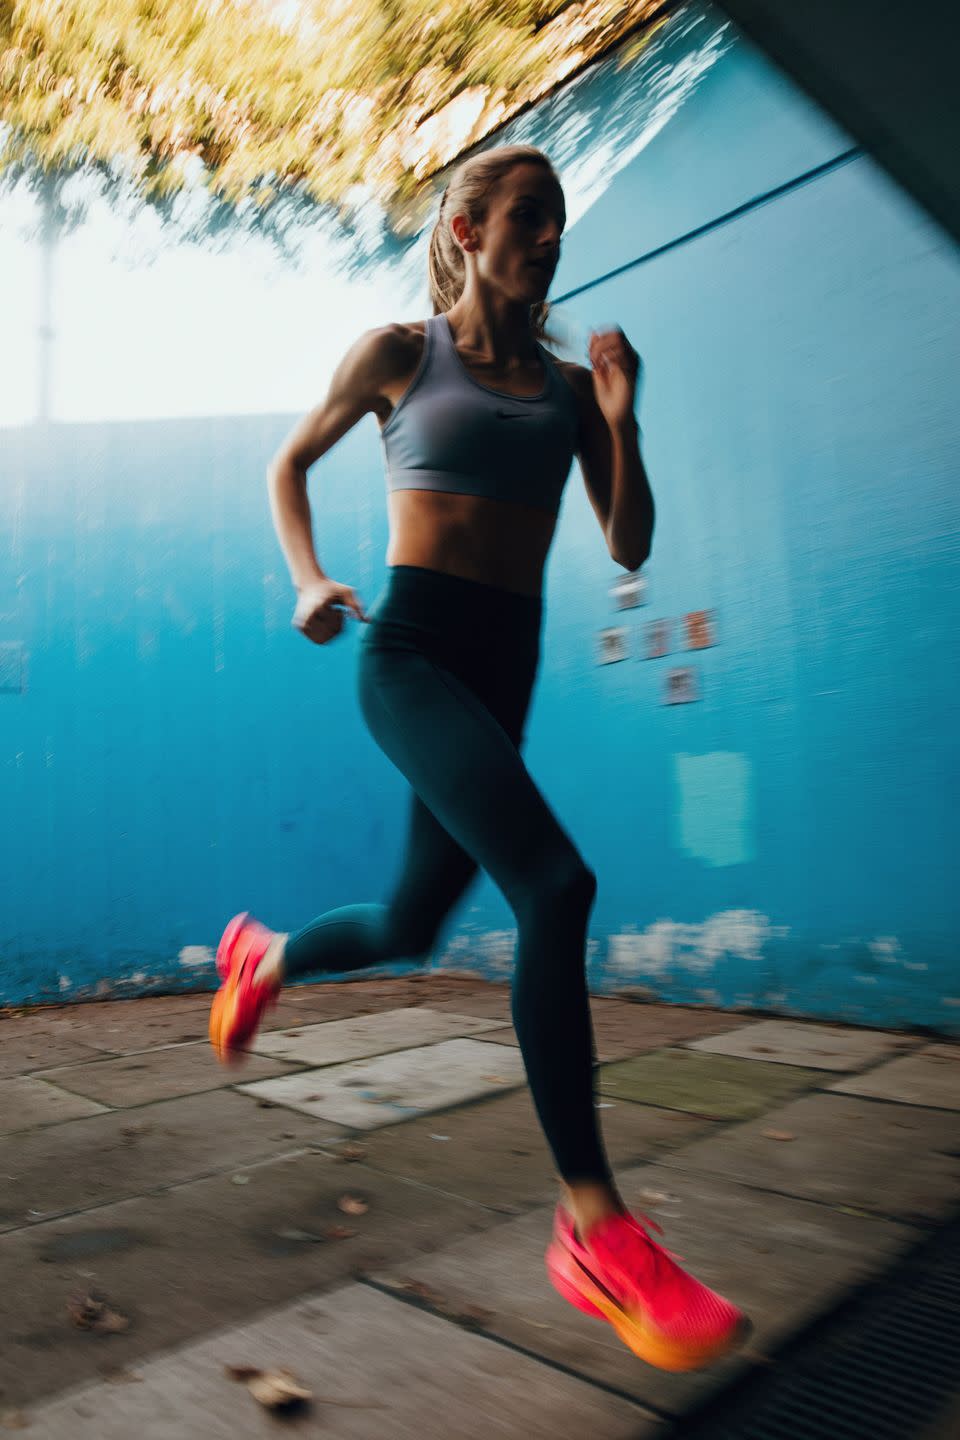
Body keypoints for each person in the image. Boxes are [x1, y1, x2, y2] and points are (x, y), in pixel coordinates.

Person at [208, 144, 748, 1371]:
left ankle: (265, 956)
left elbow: (627, 542)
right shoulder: (400, 351)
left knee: (409, 926)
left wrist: (621, 418)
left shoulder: (568, 390)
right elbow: (290, 461)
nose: (549, 237)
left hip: (504, 667)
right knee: (557, 887)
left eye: (558, 220)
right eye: (526, 216)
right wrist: (304, 580)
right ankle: (594, 1226)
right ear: (464, 227)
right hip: (407, 655)